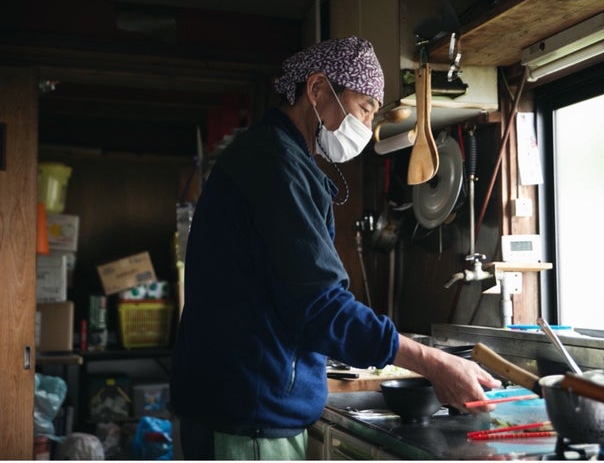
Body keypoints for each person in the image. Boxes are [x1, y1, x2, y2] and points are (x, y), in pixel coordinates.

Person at [169, 35, 501, 460]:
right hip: (248, 417)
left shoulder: (275, 157)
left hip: (239, 404)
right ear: (318, 90)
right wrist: (435, 363)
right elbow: (320, 306)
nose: (366, 125)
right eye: (364, 108)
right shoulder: (276, 167)